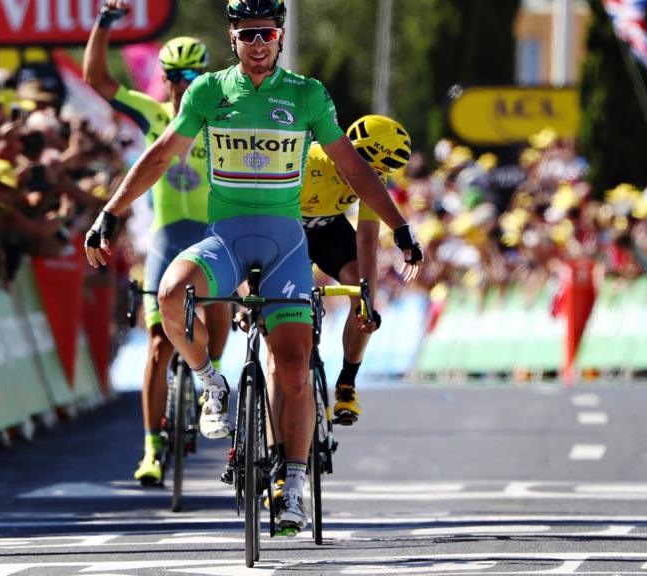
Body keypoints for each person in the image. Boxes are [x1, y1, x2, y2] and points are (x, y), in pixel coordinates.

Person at [85, 0, 423, 533]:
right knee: (171, 295)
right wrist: (109, 212)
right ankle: (207, 380)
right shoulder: (208, 92)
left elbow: (353, 169)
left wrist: (400, 227)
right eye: (247, 34)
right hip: (225, 240)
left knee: (291, 365)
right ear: (233, 38)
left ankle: (292, 484)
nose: (258, 42)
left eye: (266, 32)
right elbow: (158, 155)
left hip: (287, 245)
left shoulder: (307, 93)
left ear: (281, 36)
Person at [83, 0, 231, 486]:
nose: (183, 84)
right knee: (154, 346)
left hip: (211, 235)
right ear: (164, 77)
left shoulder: (219, 114)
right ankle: (151, 447)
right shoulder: (149, 111)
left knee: (220, 312)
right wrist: (104, 25)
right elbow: (98, 80)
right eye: (175, 75)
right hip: (168, 237)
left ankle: (212, 383)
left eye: (193, 75)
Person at [301, 115, 414, 425]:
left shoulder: (373, 172)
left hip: (329, 231)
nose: (371, 178)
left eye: (380, 174)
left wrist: (366, 301)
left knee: (363, 292)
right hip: (290, 231)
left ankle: (347, 383)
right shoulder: (306, 161)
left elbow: (366, 240)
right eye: (370, 169)